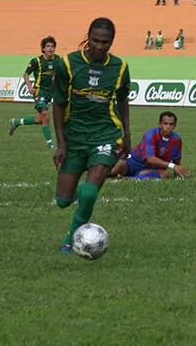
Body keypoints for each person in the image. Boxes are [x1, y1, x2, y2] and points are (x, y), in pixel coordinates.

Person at [52, 17, 131, 254]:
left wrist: (126, 134)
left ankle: (71, 238)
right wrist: (61, 143)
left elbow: (123, 100)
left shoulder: (120, 67)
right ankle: (77, 199)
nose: (99, 46)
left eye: (105, 42)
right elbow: (58, 103)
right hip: (74, 136)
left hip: (105, 135)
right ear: (87, 36)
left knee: (88, 192)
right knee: (63, 201)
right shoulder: (67, 63)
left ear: (112, 42)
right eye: (95, 40)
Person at [8, 36, 62, 148]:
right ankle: (50, 144)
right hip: (39, 92)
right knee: (46, 116)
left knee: (39, 119)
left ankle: (16, 122)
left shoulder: (58, 60)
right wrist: (29, 87)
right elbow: (26, 74)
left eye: (52, 46)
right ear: (43, 49)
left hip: (51, 93)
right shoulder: (36, 61)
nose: (50, 48)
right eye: (47, 46)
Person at [110, 111, 189, 180]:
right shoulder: (151, 134)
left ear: (175, 126)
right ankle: (109, 173)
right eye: (165, 123)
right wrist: (172, 166)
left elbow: (177, 162)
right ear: (160, 125)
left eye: (171, 124)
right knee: (117, 167)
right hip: (131, 164)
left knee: (164, 174)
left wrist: (179, 172)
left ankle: (129, 179)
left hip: (147, 170)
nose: (168, 127)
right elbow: (150, 159)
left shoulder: (177, 140)